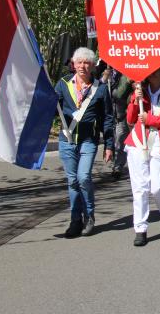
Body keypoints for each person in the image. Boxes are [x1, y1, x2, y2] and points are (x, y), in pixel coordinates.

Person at [55, 47, 114, 238]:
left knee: (83, 178)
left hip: (89, 140)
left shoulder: (100, 88)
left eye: (86, 62)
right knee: (72, 181)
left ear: (92, 65)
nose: (82, 66)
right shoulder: (63, 84)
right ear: (74, 64)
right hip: (67, 139)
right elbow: (50, 106)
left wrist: (109, 145)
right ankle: (75, 220)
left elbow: (107, 118)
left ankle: (89, 216)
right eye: (79, 62)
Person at [124, 68, 160, 247]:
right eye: (151, 71)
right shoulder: (140, 92)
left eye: (157, 71)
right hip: (138, 143)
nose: (153, 73)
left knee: (157, 187)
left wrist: (151, 120)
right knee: (140, 189)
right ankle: (140, 229)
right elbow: (131, 119)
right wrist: (134, 98)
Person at [109, 67, 133, 179]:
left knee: (122, 139)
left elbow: (118, 94)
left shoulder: (127, 74)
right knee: (119, 140)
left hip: (126, 113)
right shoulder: (106, 71)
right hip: (113, 113)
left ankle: (118, 166)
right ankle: (117, 166)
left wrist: (127, 81)